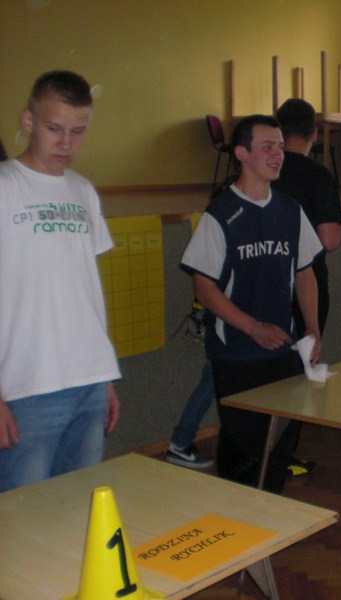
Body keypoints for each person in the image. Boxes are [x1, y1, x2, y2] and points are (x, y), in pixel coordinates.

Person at [180, 114, 323, 493]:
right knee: (244, 449)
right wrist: (253, 327)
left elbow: (305, 275)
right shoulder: (220, 215)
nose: (278, 155)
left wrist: (312, 328)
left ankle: (272, 513)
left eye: (281, 147)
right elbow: (204, 289)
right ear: (242, 153)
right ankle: (239, 518)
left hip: (283, 349)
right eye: (267, 147)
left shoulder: (290, 210)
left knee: (281, 443)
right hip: (237, 353)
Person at [0, 70, 121, 492]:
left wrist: (104, 375)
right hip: (27, 387)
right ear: (28, 120)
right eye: (54, 128)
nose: (66, 143)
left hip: (89, 383)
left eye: (78, 131)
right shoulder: (5, 187)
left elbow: (85, 291)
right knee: (22, 517)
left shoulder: (83, 190)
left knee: (76, 506)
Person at [273, 98, 341, 476]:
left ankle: (262, 449)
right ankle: (283, 453)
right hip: (307, 284)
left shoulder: (262, 171)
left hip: (264, 283)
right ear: (314, 135)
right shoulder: (318, 176)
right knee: (301, 367)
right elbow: (330, 240)